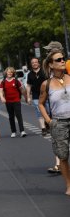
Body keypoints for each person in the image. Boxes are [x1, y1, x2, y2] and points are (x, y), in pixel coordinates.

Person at [39, 49, 70, 195]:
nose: (62, 61)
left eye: (63, 58)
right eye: (58, 60)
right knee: (63, 156)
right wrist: (49, 121)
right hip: (59, 123)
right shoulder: (47, 84)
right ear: (51, 65)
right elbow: (41, 103)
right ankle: (69, 185)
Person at [0, 67, 27, 137]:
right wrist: (2, 97)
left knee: (19, 115)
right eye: (8, 72)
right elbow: (1, 91)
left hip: (16, 100)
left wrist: (26, 97)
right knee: (11, 116)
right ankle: (13, 131)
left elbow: (22, 90)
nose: (10, 73)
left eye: (11, 72)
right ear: (6, 73)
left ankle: (22, 131)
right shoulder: (3, 82)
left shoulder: (16, 81)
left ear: (13, 73)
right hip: (8, 101)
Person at [26, 57, 48, 136]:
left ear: (39, 63)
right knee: (39, 111)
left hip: (46, 94)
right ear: (31, 64)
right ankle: (43, 128)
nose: (34, 63)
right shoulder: (30, 74)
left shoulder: (44, 72)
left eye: (36, 62)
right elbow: (28, 86)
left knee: (48, 111)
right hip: (36, 96)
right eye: (33, 62)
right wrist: (28, 97)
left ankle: (47, 123)